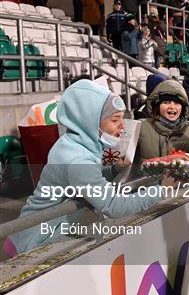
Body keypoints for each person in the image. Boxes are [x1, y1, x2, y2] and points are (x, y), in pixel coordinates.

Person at [4, 80, 169, 256]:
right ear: (89, 121)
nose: (122, 126)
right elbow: (113, 206)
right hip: (34, 241)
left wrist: (113, 170)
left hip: (29, 232)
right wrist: (162, 190)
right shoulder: (79, 160)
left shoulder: (71, 143)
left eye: (122, 118)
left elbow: (78, 181)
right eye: (115, 120)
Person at [135, 80, 189, 163]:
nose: (172, 107)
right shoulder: (141, 127)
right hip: (147, 176)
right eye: (166, 102)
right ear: (157, 106)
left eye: (177, 103)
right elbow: (124, 157)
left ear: (183, 107)